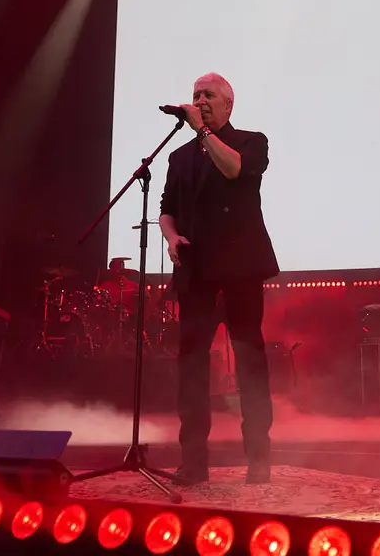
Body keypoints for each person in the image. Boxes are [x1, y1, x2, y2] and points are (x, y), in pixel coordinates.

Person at [159, 72, 279, 485]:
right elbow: (167, 209)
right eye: (195, 95)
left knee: (250, 363)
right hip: (197, 273)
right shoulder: (179, 158)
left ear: (229, 104)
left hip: (241, 270)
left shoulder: (251, 142)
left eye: (208, 94)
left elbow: (233, 171)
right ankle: (193, 462)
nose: (199, 100)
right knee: (191, 367)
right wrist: (172, 237)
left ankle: (258, 457)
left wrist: (203, 131)